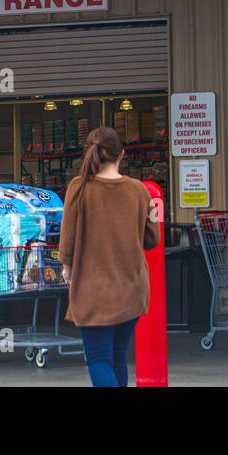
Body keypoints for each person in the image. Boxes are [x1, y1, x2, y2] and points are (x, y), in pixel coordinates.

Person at [59, 126, 161, 388]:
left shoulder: (78, 188)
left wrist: (67, 266)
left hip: (92, 291)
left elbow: (67, 239)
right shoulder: (139, 190)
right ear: (122, 154)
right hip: (132, 289)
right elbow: (153, 239)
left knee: (97, 359)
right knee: (117, 357)